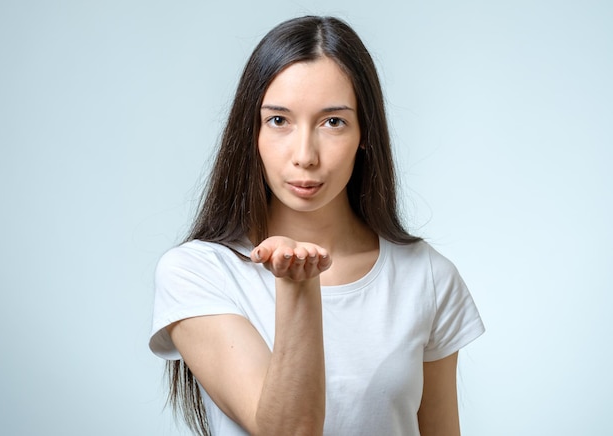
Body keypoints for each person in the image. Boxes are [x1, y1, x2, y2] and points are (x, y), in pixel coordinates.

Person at [149, 15, 484, 436]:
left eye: (333, 122)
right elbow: (289, 431)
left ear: (365, 133)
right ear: (251, 131)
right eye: (278, 120)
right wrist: (296, 284)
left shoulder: (427, 276)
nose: (305, 155)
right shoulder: (198, 272)